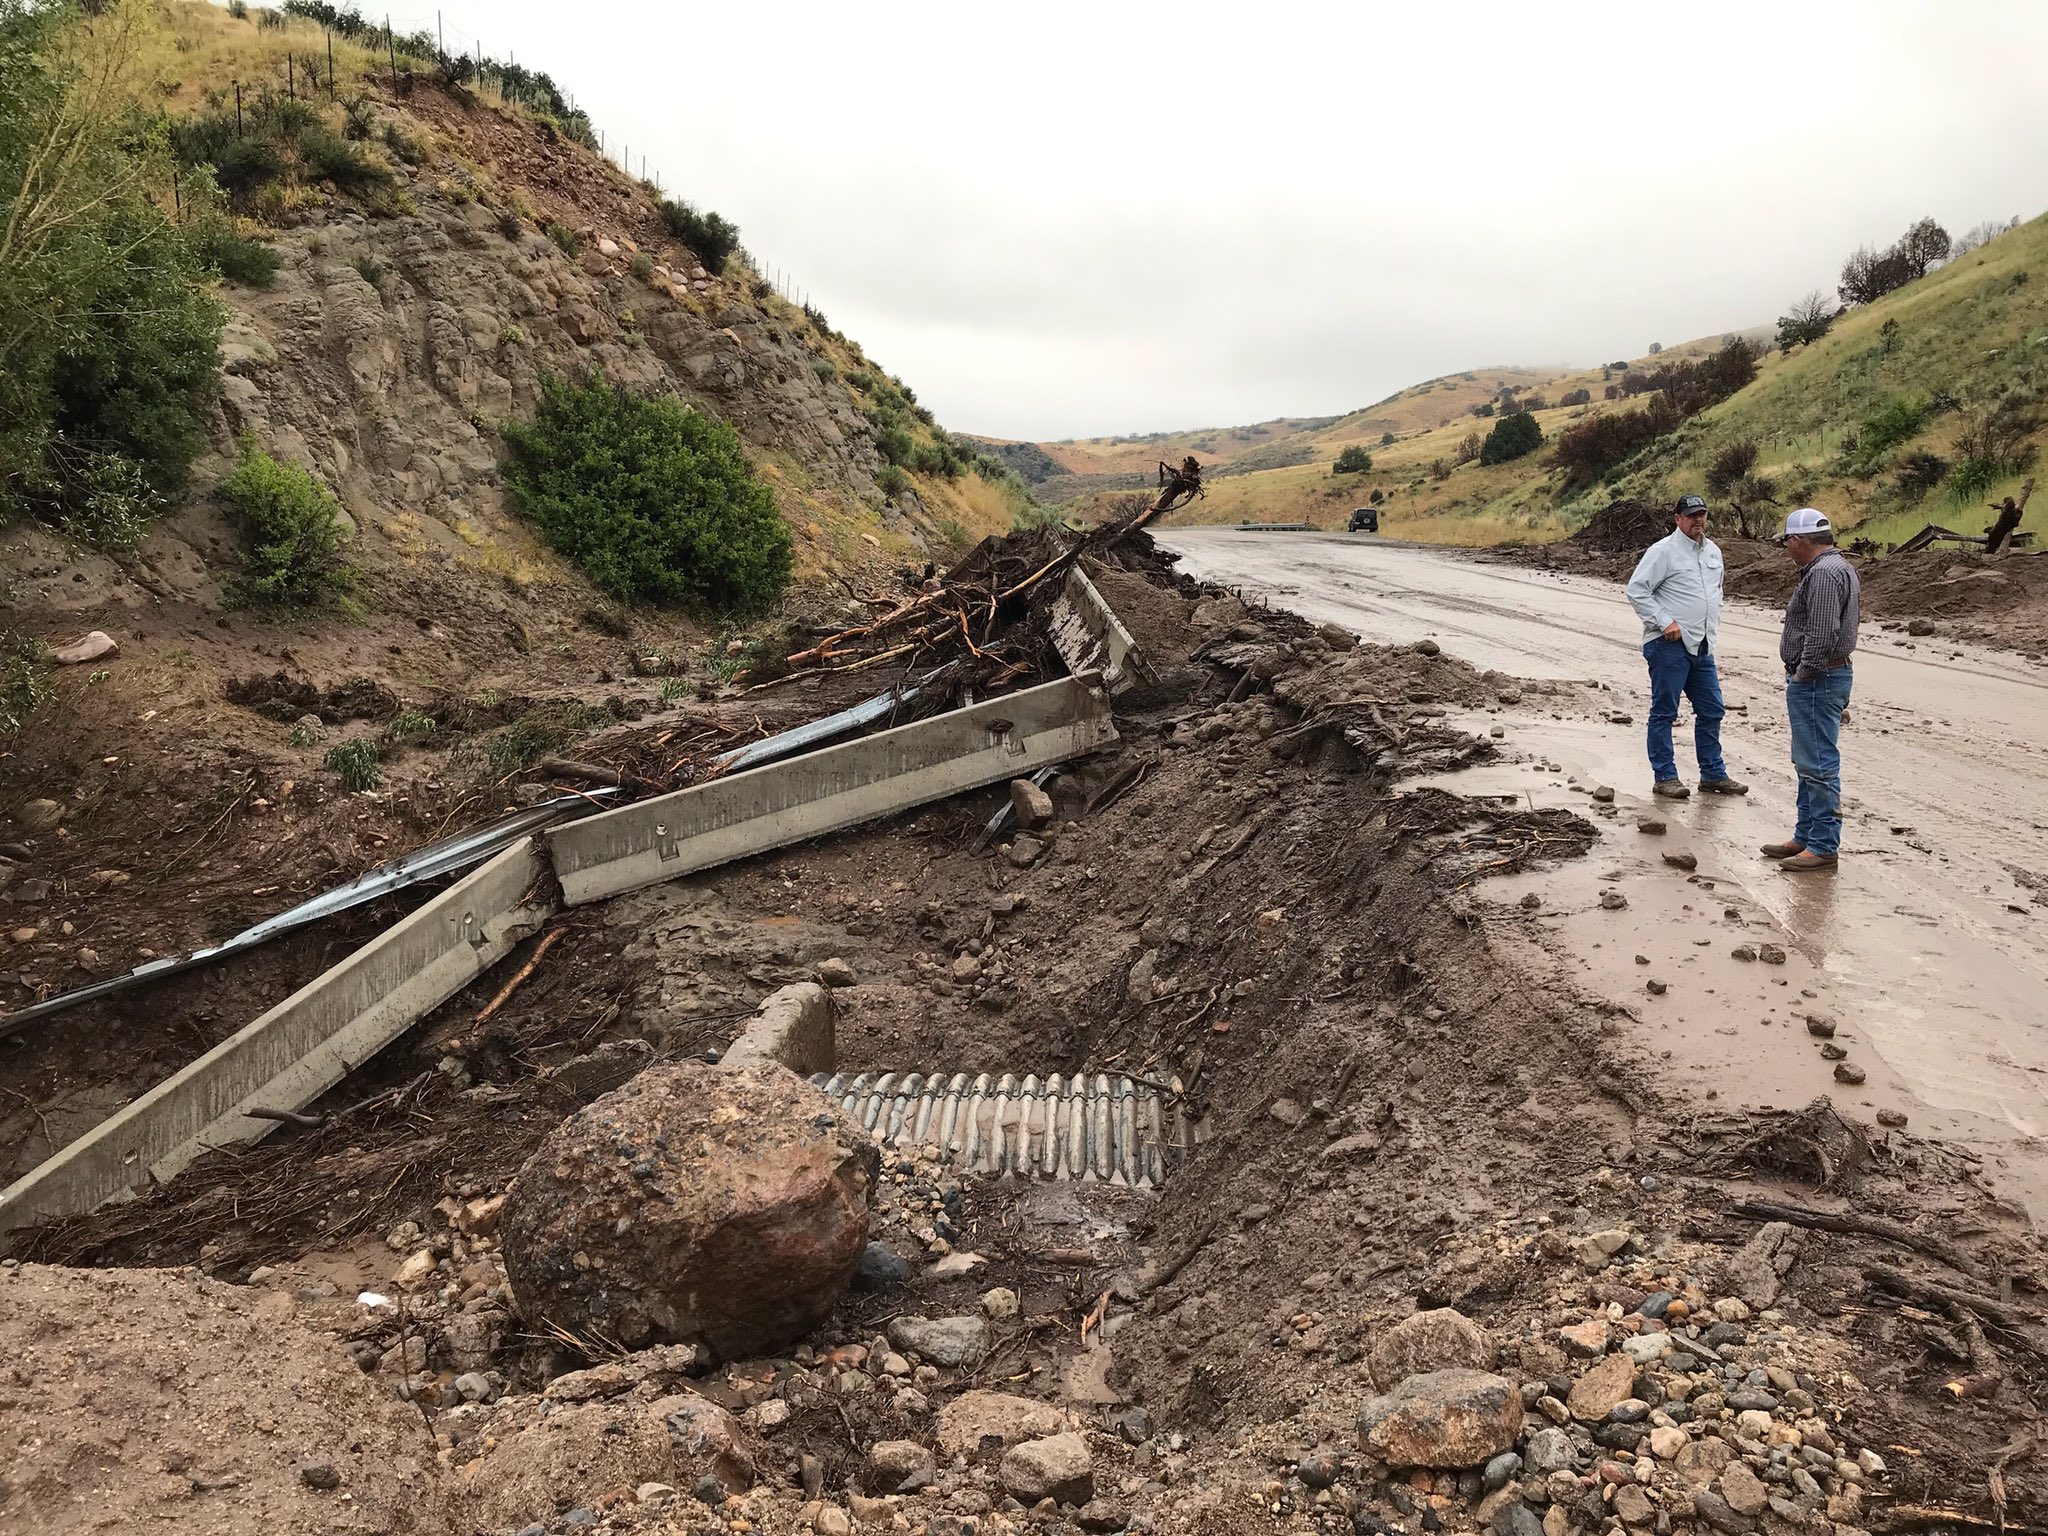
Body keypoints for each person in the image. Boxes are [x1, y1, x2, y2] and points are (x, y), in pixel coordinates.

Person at [1623, 494, 1748, 800]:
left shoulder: (1713, 552)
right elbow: (1637, 589)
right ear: (1677, 519)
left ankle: (1712, 774)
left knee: (1712, 709)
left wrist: (1710, 629)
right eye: (1691, 515)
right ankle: (1665, 776)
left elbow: (1715, 592)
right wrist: (1665, 621)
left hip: (1702, 645)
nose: (1698, 520)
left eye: (1702, 514)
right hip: (1668, 644)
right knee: (1665, 710)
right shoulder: (1663, 551)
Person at [1763, 508, 1860, 871]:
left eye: (1788, 541)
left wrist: (1803, 675)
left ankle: (1822, 845)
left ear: (1800, 541)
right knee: (1807, 760)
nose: (1787, 547)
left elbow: (1821, 635)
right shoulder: (1837, 568)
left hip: (1819, 679)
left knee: (1818, 763)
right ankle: (1806, 835)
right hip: (1825, 677)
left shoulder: (1822, 575)